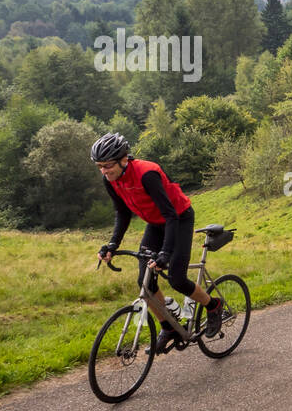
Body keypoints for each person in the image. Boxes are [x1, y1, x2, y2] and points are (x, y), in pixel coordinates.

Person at [91, 132, 222, 354]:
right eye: (100, 166)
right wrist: (112, 244)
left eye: (108, 165)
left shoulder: (147, 173)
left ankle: (213, 306)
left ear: (124, 159)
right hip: (155, 223)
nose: (104, 171)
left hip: (178, 218)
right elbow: (122, 213)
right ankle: (169, 328)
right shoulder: (110, 180)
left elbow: (170, 215)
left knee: (177, 279)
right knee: (145, 282)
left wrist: (165, 253)